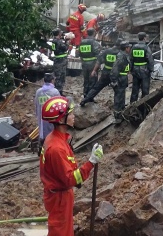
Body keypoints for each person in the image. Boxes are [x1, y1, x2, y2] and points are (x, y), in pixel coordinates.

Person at [40, 96, 103, 236]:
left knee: (64, 229)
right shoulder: (56, 148)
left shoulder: (56, 139)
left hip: (60, 195)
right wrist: (91, 162)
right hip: (59, 198)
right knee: (61, 231)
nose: (74, 116)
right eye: (71, 113)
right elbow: (71, 179)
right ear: (61, 120)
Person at [80, 40, 121, 106]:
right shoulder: (120, 53)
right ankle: (117, 107)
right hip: (115, 74)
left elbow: (99, 61)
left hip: (105, 73)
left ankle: (85, 100)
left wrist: (94, 70)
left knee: (97, 87)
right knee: (118, 90)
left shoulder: (107, 51)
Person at [34, 73, 61, 150]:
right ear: (52, 80)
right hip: (52, 116)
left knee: (42, 132)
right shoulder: (55, 92)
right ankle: (50, 149)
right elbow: (59, 105)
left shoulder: (38, 92)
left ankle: (41, 149)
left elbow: (36, 104)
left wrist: (37, 114)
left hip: (41, 116)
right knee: (52, 133)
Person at [110, 41, 132, 122]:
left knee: (122, 95)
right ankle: (117, 116)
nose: (130, 49)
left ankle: (121, 112)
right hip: (120, 78)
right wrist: (114, 80)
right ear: (126, 48)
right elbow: (115, 69)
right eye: (129, 47)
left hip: (123, 77)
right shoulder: (121, 57)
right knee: (118, 97)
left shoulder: (124, 55)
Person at [130, 32, 154, 103]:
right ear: (144, 38)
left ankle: (132, 104)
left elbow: (130, 59)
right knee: (145, 89)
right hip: (144, 71)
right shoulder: (146, 48)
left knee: (135, 89)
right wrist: (151, 70)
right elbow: (150, 60)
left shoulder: (133, 47)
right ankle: (144, 105)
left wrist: (131, 70)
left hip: (135, 70)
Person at [79, 28, 100, 97]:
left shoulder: (82, 42)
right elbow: (98, 54)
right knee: (93, 80)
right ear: (94, 33)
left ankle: (85, 93)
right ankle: (90, 97)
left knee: (86, 80)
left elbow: (79, 53)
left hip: (84, 63)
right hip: (92, 64)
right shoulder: (94, 42)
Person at [50, 28, 69, 94]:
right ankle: (58, 91)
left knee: (58, 76)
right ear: (58, 33)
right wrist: (66, 41)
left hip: (57, 60)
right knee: (60, 76)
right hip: (61, 60)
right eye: (60, 32)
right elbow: (65, 48)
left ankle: (58, 91)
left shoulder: (54, 41)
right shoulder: (58, 41)